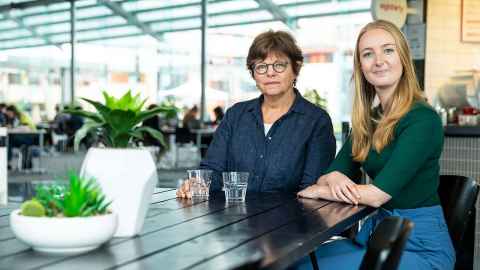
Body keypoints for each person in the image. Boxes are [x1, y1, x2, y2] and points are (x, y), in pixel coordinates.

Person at [293, 20, 455, 269]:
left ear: (403, 57)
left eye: (388, 50)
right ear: (361, 67)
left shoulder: (422, 119)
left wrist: (321, 191)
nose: (378, 60)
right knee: (294, 261)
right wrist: (332, 179)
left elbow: (376, 196)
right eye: (368, 54)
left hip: (420, 248)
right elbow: (329, 175)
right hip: (377, 237)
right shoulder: (368, 121)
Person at [177, 30, 336, 198]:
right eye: (261, 66)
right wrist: (197, 184)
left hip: (292, 220)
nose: (270, 73)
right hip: (233, 220)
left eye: (279, 65)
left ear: (296, 69)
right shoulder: (235, 115)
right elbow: (212, 170)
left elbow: (311, 191)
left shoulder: (316, 121)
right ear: (253, 74)